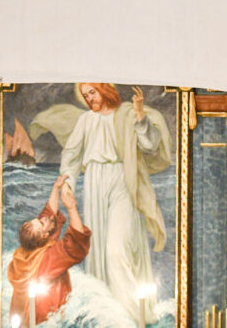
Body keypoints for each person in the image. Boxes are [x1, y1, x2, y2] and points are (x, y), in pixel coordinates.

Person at [58, 83, 171, 321]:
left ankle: (132, 316)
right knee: (98, 250)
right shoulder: (86, 121)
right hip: (95, 181)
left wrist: (140, 116)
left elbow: (150, 146)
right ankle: (107, 316)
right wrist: (68, 184)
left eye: (93, 92)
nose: (89, 98)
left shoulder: (127, 115)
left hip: (123, 178)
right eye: (86, 95)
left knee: (116, 250)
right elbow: (71, 154)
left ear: (104, 90)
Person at [7, 174, 91, 325]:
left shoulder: (26, 252)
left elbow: (49, 215)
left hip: (26, 321)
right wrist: (72, 208)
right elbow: (76, 243)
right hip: (46, 320)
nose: (44, 218)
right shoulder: (47, 259)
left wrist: (56, 187)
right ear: (45, 235)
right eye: (41, 222)